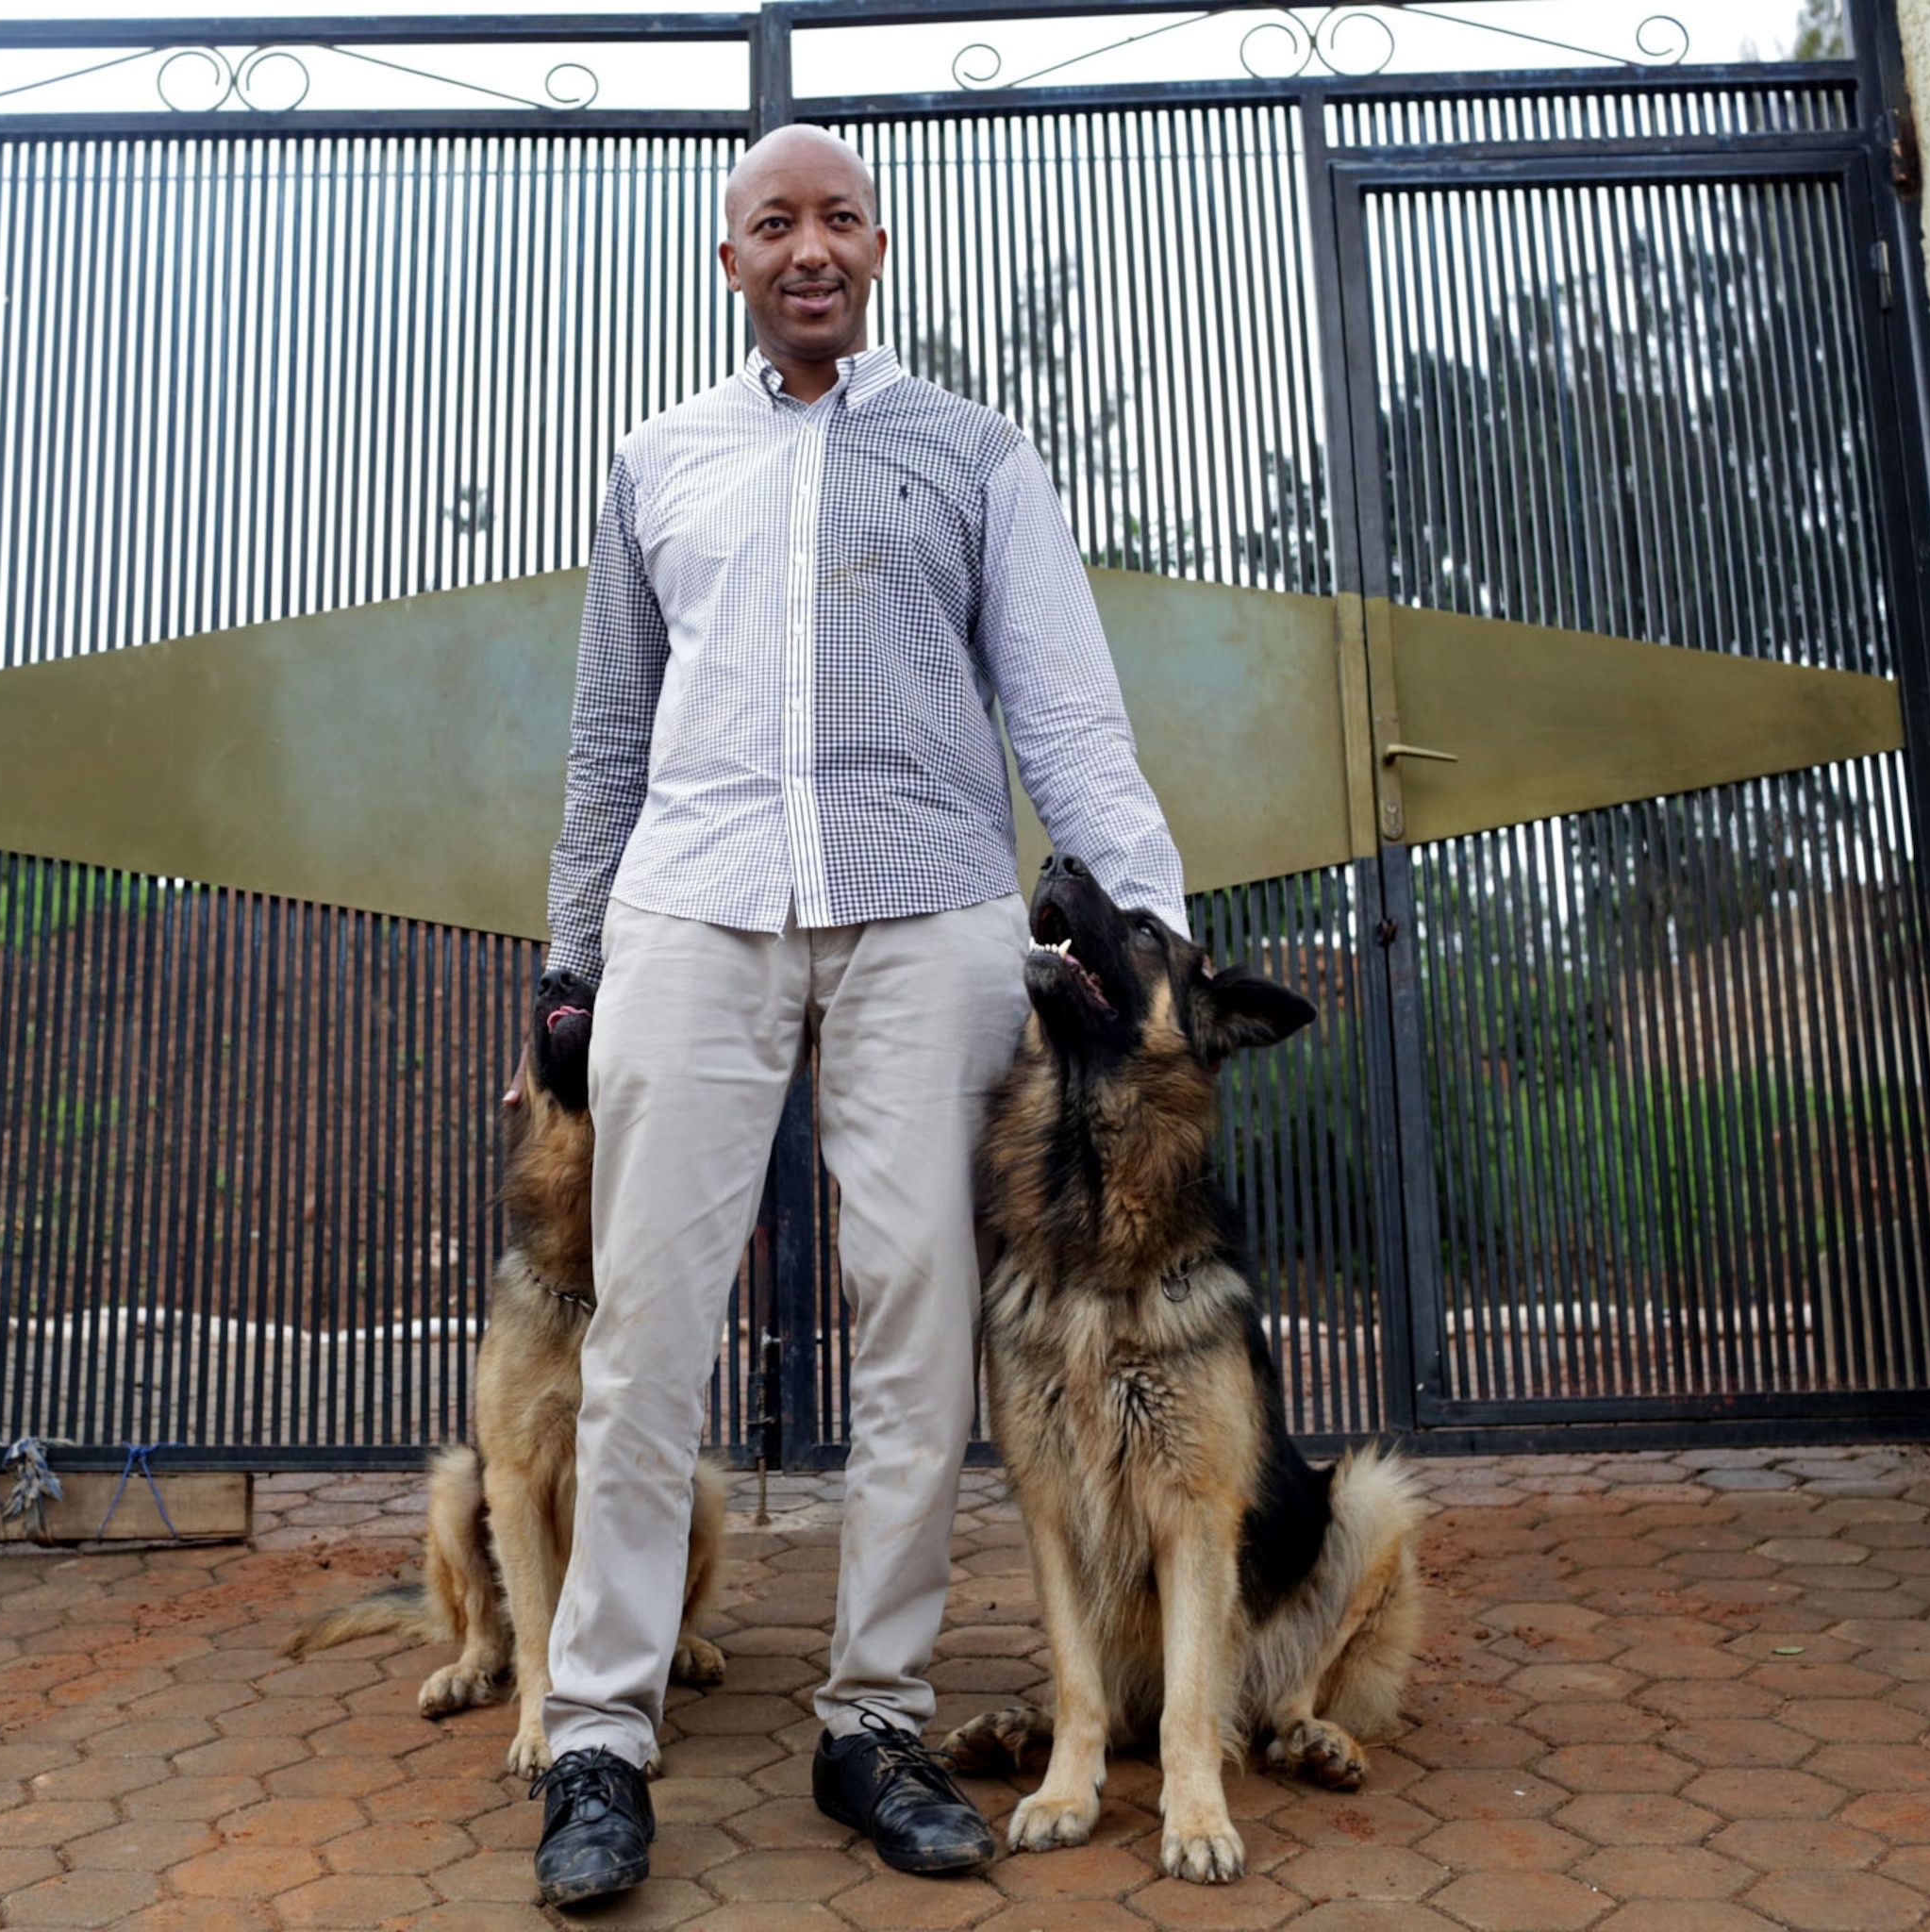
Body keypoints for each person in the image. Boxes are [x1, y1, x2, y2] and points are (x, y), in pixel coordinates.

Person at [526, 123, 1190, 1907]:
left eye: (837, 218)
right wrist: (572, 962)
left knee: (920, 1314)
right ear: (731, 259)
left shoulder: (976, 454)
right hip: (696, 902)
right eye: (773, 223)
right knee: (644, 1327)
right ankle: (598, 1737)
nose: (807, 247)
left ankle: (873, 1722)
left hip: (929, 911)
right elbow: (608, 744)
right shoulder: (658, 462)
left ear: (877, 245)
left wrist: (1156, 943)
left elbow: (1067, 713)